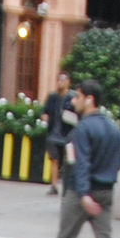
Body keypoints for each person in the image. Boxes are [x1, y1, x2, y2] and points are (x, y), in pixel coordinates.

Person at [30, 79, 120, 238]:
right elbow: (117, 162)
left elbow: (81, 164)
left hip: (83, 192)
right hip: (106, 190)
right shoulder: (113, 129)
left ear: (89, 100)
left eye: (78, 96)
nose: (73, 101)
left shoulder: (83, 129)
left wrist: (83, 195)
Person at [40, 70, 75, 198]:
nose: (60, 82)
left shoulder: (73, 97)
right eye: (58, 80)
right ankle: (54, 186)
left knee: (67, 162)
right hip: (53, 134)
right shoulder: (52, 96)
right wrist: (44, 116)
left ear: (68, 82)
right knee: (54, 159)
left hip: (67, 135)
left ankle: (67, 187)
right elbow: (44, 111)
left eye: (63, 80)